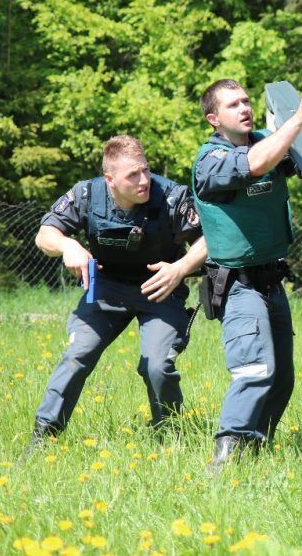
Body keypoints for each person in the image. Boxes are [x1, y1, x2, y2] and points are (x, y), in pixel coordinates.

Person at [30, 135, 206, 445]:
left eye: (146, 170)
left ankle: (170, 436)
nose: (144, 180)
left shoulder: (172, 197)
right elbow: (45, 234)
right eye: (133, 175)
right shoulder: (87, 194)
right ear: (110, 180)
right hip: (107, 289)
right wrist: (68, 245)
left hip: (160, 288)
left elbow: (208, 239)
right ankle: (45, 438)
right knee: (77, 354)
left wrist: (180, 268)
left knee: (157, 364)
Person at [191, 79, 302, 470]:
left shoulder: (268, 139)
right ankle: (223, 465)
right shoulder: (210, 160)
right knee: (254, 371)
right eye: (233, 105)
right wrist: (296, 120)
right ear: (214, 118)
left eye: (247, 101)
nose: (244, 108)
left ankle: (254, 457)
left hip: (272, 281)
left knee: (281, 379)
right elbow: (254, 164)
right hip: (238, 285)